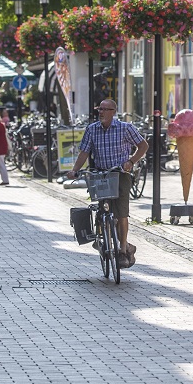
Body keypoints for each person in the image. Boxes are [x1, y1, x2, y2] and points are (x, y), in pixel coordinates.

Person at [67, 99, 149, 268]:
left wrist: (131, 161)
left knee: (121, 214)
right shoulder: (92, 129)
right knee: (103, 209)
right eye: (100, 109)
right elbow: (84, 152)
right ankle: (102, 236)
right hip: (100, 175)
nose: (101, 112)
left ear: (114, 111)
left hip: (120, 174)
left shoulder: (125, 128)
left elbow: (143, 145)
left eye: (105, 109)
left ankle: (122, 249)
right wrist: (74, 170)